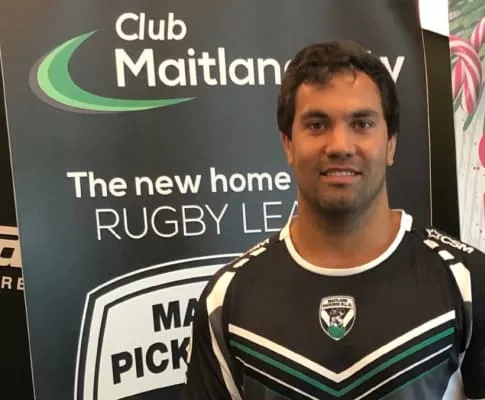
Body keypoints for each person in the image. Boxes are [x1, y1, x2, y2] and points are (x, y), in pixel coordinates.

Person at [181, 40, 485, 399]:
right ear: (288, 144)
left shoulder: (467, 282)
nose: (340, 145)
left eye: (362, 123)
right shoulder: (227, 299)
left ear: (390, 144)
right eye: (316, 124)